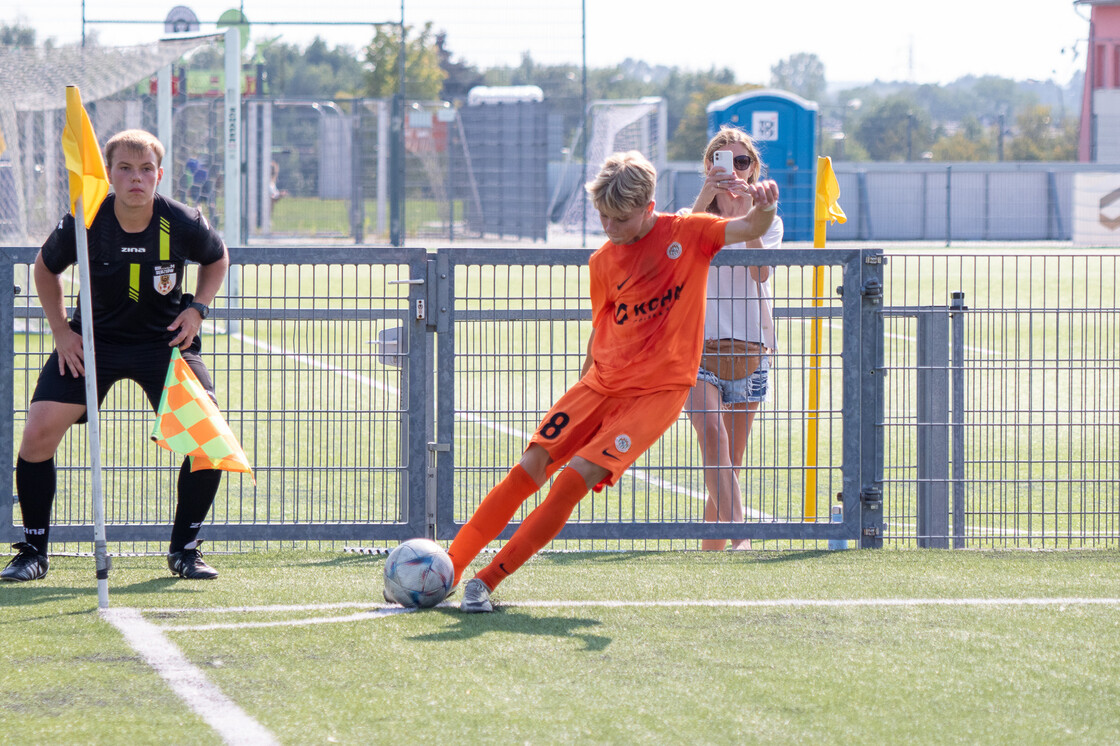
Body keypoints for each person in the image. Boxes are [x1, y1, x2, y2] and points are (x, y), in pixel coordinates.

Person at [447, 150, 779, 612]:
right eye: (603, 216)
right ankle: (448, 565)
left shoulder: (689, 232)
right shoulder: (602, 261)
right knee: (530, 466)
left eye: (620, 218)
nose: (609, 227)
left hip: (655, 396)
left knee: (571, 481)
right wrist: (580, 393)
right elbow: (601, 330)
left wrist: (764, 207)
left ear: (648, 207)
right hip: (599, 386)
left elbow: (749, 231)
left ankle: (485, 582)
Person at [1, 129, 230, 582]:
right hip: (93, 344)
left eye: (146, 169)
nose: (136, 179)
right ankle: (33, 549)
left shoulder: (182, 220)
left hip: (164, 343)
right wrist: (63, 331)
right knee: (38, 432)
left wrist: (197, 311)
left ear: (159, 175)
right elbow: (45, 269)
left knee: (208, 439)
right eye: (124, 169)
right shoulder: (86, 218)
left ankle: (185, 548)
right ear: (108, 174)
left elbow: (217, 258)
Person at [684, 127, 784, 551]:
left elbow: (760, 272)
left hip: (749, 350)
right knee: (713, 436)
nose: (733, 169)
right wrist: (704, 201)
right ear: (708, 167)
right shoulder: (689, 220)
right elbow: (676, 256)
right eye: (721, 162)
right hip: (697, 349)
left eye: (742, 162)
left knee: (729, 462)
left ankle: (711, 557)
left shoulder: (770, 221)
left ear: (753, 168)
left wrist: (749, 214)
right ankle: (741, 540)